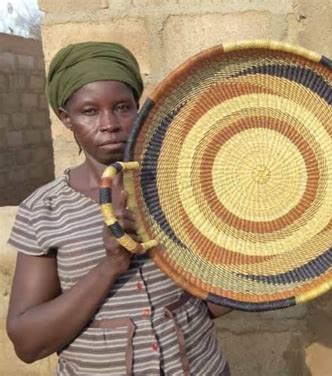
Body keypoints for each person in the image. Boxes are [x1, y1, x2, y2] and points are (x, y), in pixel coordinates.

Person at [6, 41, 231, 376]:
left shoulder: (175, 188)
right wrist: (110, 265)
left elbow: (216, 293)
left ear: (138, 109)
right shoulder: (44, 210)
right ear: (65, 118)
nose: (109, 123)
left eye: (123, 107)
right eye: (89, 111)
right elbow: (27, 343)